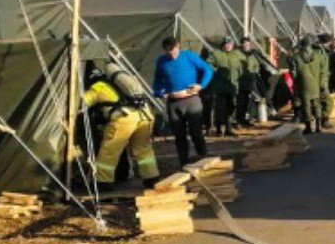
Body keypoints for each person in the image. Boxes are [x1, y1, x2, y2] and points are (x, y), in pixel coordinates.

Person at [82, 62, 160, 189]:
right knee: (143, 150)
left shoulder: (99, 86)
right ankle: (151, 178)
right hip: (145, 115)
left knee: (110, 150)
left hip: (125, 118)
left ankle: (103, 182)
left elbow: (82, 102)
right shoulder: (126, 84)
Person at [152, 36, 214, 167]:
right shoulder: (161, 62)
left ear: (178, 46)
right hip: (174, 103)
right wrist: (159, 93)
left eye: (174, 52)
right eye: (169, 53)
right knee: (179, 135)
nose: (173, 55)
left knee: (196, 132)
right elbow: (157, 80)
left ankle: (203, 156)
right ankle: (184, 161)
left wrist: (201, 85)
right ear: (164, 51)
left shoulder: (189, 56)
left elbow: (207, 70)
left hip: (191, 100)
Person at [288, 35, 329, 133]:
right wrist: (323, 82)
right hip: (316, 83)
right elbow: (324, 69)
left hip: (303, 83)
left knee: (306, 105)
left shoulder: (296, 57)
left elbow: (293, 73)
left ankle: (308, 127)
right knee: (317, 104)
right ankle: (319, 126)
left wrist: (297, 82)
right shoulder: (318, 55)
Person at [207, 38, 246, 136]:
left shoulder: (237, 54)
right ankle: (219, 128)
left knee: (231, 107)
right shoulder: (216, 53)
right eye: (225, 43)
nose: (227, 45)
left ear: (233, 45)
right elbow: (208, 63)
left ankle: (229, 127)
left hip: (233, 85)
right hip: (220, 86)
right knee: (220, 108)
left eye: (229, 44)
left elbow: (244, 64)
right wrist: (217, 71)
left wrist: (240, 73)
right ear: (222, 44)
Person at [236, 37, 263, 127]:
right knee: (240, 102)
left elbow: (257, 66)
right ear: (241, 44)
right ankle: (239, 120)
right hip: (239, 82)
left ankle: (246, 119)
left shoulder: (252, 55)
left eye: (248, 44)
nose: (246, 46)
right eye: (245, 44)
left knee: (249, 101)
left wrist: (255, 73)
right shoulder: (236, 54)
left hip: (250, 82)